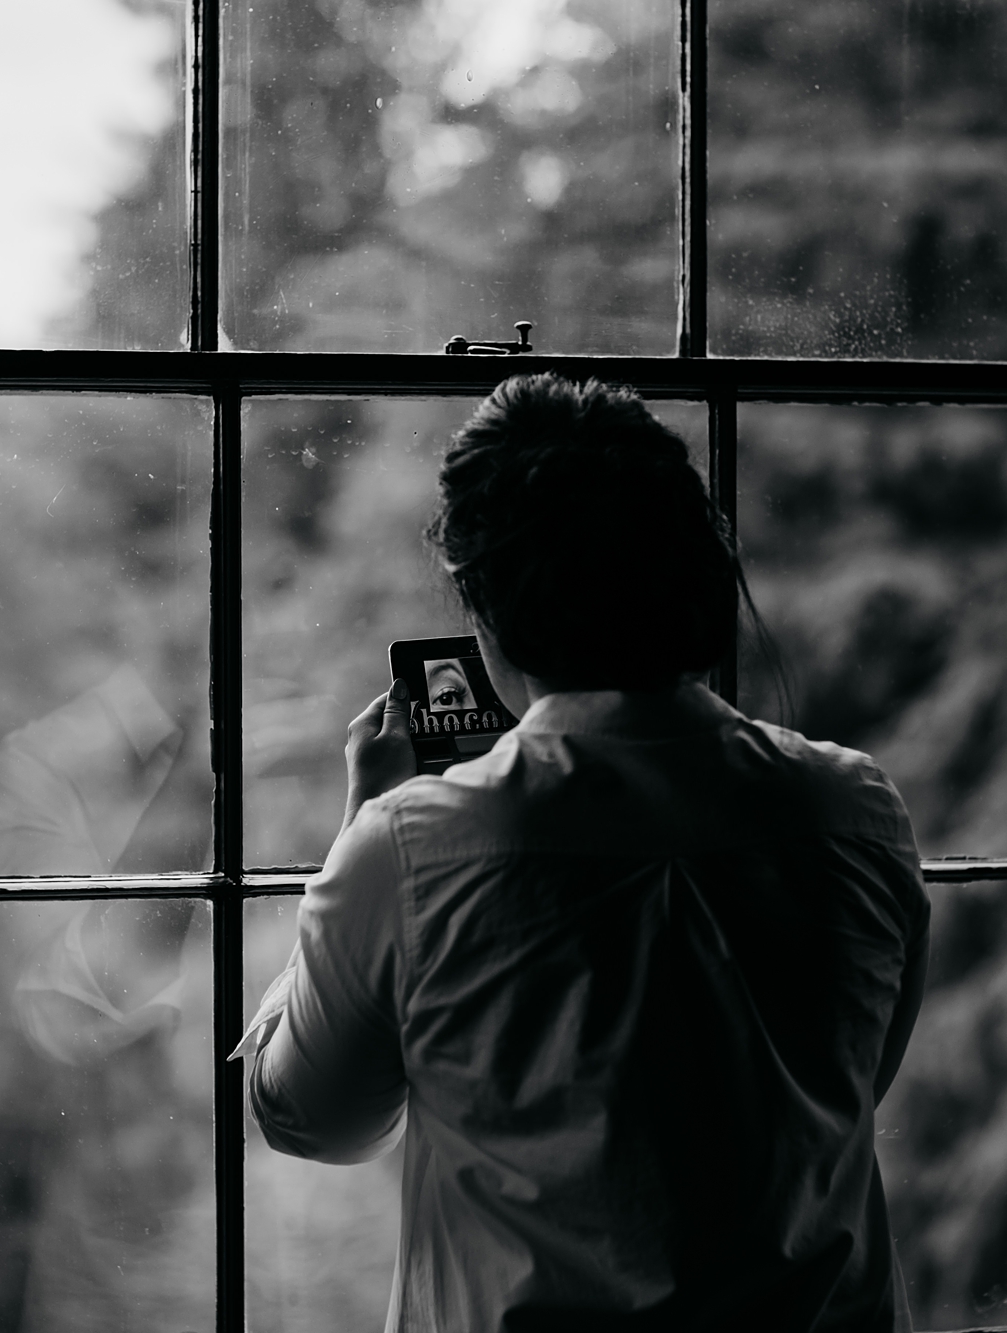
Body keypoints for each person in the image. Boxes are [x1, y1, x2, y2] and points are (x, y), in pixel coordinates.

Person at [238, 374, 930, 1332]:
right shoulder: (854, 807)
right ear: (694, 572)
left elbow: (312, 1117)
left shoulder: (412, 845)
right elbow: (848, 1085)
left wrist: (364, 811)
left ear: (485, 604)